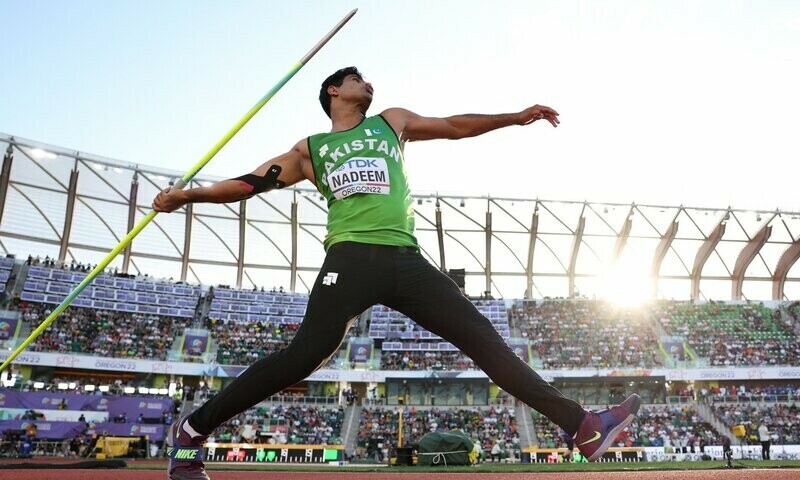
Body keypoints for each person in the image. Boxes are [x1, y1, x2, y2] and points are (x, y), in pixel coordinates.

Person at [154, 66, 641, 480]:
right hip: (347, 259)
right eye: (357, 78)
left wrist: (514, 117)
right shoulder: (312, 148)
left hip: (404, 259)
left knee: (482, 337)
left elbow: (453, 125)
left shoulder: (392, 123)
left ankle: (583, 426)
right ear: (334, 91)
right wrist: (186, 196)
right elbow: (251, 182)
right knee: (302, 358)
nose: (368, 83)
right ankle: (192, 431)